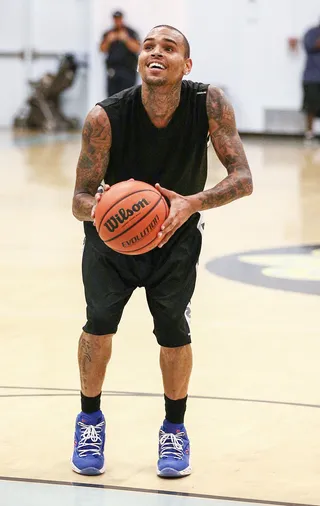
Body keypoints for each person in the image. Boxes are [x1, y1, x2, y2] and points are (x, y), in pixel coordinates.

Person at [71, 24, 253, 477]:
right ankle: (89, 419)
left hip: (176, 239)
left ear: (185, 65)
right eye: (149, 46)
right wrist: (108, 212)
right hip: (111, 245)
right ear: (139, 62)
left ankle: (174, 430)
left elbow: (243, 178)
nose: (156, 52)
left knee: (174, 332)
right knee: (98, 327)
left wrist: (192, 202)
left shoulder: (208, 103)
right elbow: (78, 200)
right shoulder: (104, 116)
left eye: (169, 48)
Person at [100, 10, 140, 96]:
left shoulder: (130, 32)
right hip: (113, 71)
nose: (117, 21)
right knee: (111, 98)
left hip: (128, 70)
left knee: (128, 96)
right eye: (115, 19)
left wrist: (126, 39)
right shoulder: (108, 33)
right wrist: (108, 40)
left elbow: (137, 48)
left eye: (119, 19)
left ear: (122, 19)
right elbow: (102, 49)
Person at [302, 21, 320, 143]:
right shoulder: (311, 33)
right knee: (311, 106)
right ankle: (309, 134)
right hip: (312, 77)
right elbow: (312, 46)